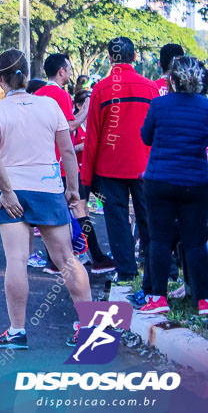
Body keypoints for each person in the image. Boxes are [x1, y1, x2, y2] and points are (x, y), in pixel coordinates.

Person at [0, 49, 91, 350]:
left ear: (0, 80)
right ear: (27, 75)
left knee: (16, 260)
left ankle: (17, 332)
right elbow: (68, 151)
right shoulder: (49, 106)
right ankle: (90, 328)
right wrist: (72, 189)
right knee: (67, 259)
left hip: (11, 191)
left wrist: (6, 191)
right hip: (47, 187)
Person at [80, 37, 158, 297]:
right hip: (144, 167)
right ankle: (156, 270)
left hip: (109, 168)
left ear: (110, 59)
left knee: (117, 221)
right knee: (149, 220)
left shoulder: (101, 89)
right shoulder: (149, 88)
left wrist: (86, 179)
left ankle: (126, 271)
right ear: (134, 58)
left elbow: (92, 137)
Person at [136, 56, 208, 316]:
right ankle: (203, 300)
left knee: (160, 240)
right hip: (196, 183)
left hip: (160, 182)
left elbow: (145, 137)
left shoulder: (158, 104)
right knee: (195, 242)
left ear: (172, 79)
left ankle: (158, 298)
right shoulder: (206, 107)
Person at [33, 54, 113, 275]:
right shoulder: (60, 95)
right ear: (61, 71)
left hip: (42, 164)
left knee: (52, 215)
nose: (70, 74)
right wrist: (87, 108)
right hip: (60, 164)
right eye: (68, 69)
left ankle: (54, 262)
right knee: (78, 208)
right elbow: (68, 127)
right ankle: (97, 257)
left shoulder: (37, 94)